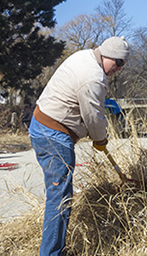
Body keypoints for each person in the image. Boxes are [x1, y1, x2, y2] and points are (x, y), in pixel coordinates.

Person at [29, 36, 129, 256]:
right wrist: (100, 139)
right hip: (53, 134)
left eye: (122, 64)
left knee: (58, 193)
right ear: (106, 55)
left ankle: (54, 250)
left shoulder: (83, 56)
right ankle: (52, 254)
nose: (118, 69)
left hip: (41, 125)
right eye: (118, 63)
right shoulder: (93, 77)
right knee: (60, 198)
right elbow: (94, 117)